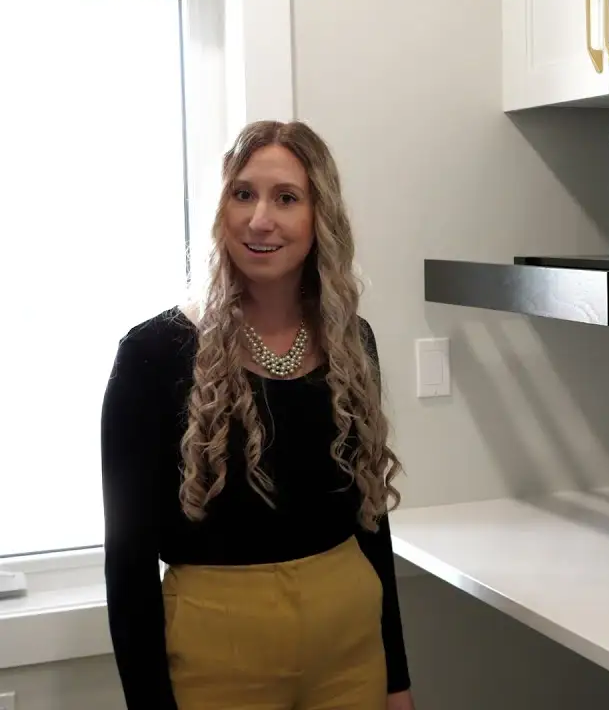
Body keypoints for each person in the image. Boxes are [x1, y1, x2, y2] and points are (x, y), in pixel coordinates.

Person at [100, 120, 415, 710]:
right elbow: (128, 559)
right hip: (216, 660)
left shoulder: (353, 342)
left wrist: (397, 679)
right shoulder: (151, 354)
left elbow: (371, 519)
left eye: (286, 198)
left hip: (350, 652)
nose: (259, 219)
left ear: (321, 219)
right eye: (242, 193)